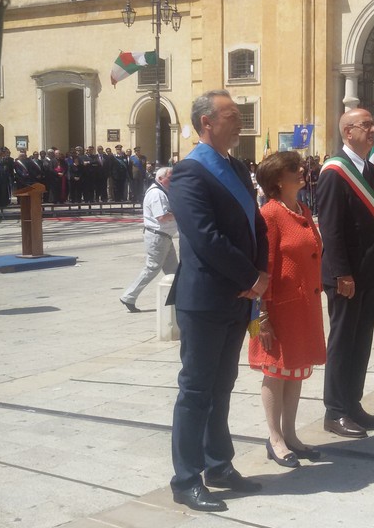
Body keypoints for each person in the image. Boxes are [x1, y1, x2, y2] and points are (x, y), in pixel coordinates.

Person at [167, 90, 269, 512]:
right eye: (231, 115)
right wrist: (250, 276)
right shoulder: (189, 173)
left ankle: (218, 464)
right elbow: (205, 238)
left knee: (222, 386)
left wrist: (260, 275)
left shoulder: (236, 166)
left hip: (238, 296)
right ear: (207, 122)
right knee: (196, 390)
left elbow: (256, 225)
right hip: (206, 298)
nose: (239, 121)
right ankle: (186, 478)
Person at [248, 151, 326, 469]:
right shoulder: (269, 214)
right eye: (294, 169)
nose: (302, 172)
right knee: (274, 372)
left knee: (296, 371)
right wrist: (260, 319)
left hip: (303, 309)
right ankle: (274, 438)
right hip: (274, 312)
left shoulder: (303, 209)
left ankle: (291, 435)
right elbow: (260, 267)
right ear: (278, 179)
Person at [317, 108, 374, 439]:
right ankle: (335, 410)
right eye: (366, 125)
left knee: (362, 342)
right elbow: (330, 229)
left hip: (368, 273)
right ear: (348, 132)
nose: (373, 130)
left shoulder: (370, 170)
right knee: (343, 342)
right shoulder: (334, 172)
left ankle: (353, 403)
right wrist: (342, 272)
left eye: (373, 125)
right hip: (346, 277)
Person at [120, 167, 178, 312]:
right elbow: (162, 217)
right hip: (158, 236)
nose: (173, 180)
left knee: (174, 271)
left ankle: (180, 299)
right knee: (152, 268)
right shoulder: (156, 193)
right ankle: (129, 296)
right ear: (160, 179)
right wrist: (180, 213)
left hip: (164, 236)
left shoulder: (163, 191)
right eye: (170, 178)